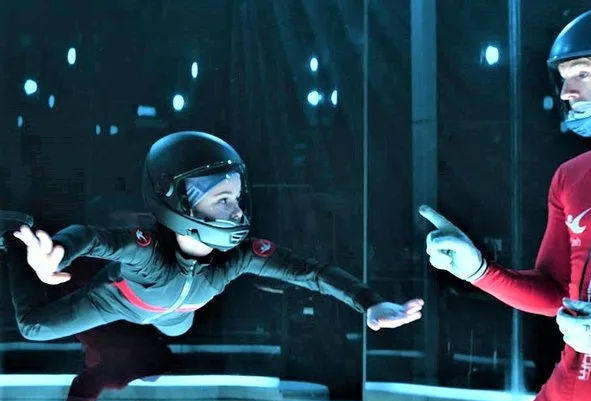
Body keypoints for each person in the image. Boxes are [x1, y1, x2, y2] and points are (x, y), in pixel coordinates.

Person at [419, 2, 591, 401]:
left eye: (583, 73)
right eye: (564, 77)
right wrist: (478, 270)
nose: (567, 91)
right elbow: (555, 292)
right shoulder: (572, 176)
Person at [1, 131, 424, 345]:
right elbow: (94, 239)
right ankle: (12, 238)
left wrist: (369, 302)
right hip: (121, 303)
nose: (237, 212)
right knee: (34, 329)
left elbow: (311, 272)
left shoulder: (239, 256)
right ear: (178, 203)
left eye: (237, 198)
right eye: (222, 200)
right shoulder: (148, 251)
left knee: (173, 334)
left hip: (176, 316)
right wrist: (56, 253)